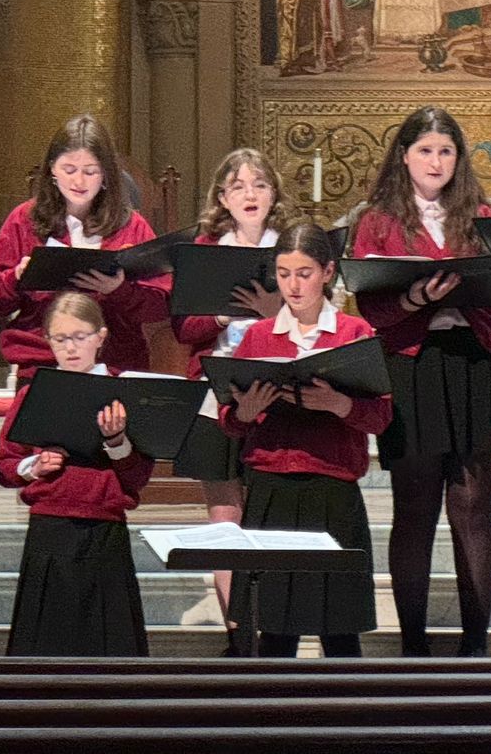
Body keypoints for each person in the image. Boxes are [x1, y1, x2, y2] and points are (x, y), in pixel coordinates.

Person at [350, 107, 491, 657]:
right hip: (410, 366)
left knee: (473, 503)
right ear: (404, 156)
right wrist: (415, 298)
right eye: (425, 150)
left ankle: (474, 642)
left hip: (472, 363)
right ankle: (413, 643)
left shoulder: (483, 214)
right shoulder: (376, 219)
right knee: (414, 506)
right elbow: (368, 305)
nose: (436, 161)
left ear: (458, 159)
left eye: (446, 151)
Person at [217, 224, 391, 658]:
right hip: (272, 487)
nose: (293, 286)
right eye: (283, 273)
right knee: (274, 629)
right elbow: (229, 421)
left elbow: (382, 416)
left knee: (339, 630)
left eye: (304, 273)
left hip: (332, 489)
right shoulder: (259, 337)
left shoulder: (354, 333)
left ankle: (346, 722)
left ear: (328, 272)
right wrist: (243, 409)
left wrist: (338, 404)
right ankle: (272, 722)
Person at [171, 148, 295, 645]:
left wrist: (272, 311)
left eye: (260, 185)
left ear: (273, 196)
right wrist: (221, 314)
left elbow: (315, 318)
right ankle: (238, 635)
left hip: (274, 392)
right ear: (222, 197)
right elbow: (184, 326)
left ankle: (271, 628)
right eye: (239, 185)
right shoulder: (206, 249)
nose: (249, 193)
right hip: (214, 393)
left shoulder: (289, 249)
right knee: (225, 520)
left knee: (266, 516)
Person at [0, 292, 153, 656]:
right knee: (46, 648)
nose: (70, 347)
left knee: (107, 647)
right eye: (59, 338)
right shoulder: (35, 391)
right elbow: (6, 464)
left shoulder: (124, 390)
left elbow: (139, 475)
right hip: (50, 526)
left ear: (100, 337)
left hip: (103, 527)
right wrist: (33, 467)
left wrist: (116, 441)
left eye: (79, 337)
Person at [0, 114, 164, 378]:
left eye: (90, 171)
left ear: (106, 174)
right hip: (41, 363)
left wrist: (119, 290)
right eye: (69, 170)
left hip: (115, 363)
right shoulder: (25, 220)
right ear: (52, 171)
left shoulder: (131, 225)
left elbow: (160, 305)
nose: (79, 182)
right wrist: (17, 278)